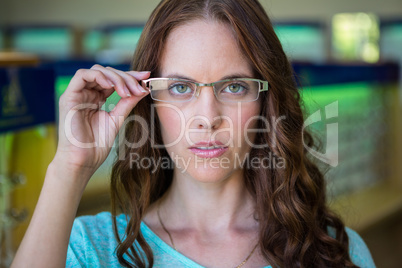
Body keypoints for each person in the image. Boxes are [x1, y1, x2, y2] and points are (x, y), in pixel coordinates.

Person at [11, 0, 376, 267]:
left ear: (267, 101)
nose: (207, 118)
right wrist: (69, 167)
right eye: (181, 88)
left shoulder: (332, 250)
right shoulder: (90, 248)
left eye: (233, 87)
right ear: (148, 100)